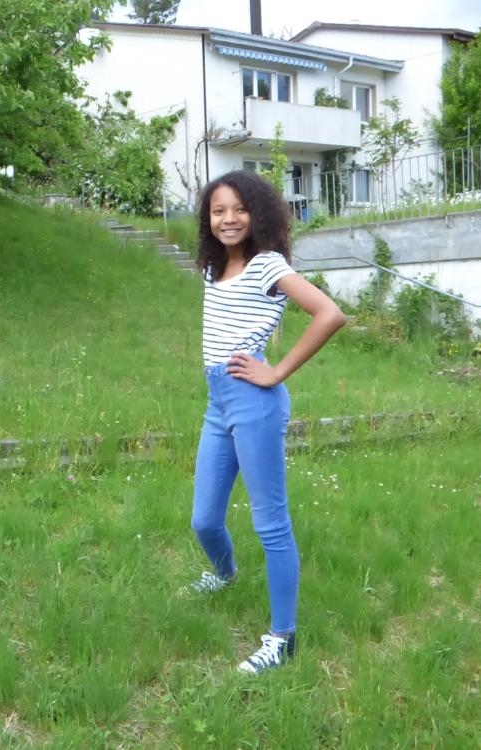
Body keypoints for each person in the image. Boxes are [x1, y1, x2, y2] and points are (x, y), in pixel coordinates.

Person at [186, 170, 346, 674]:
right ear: (208, 219)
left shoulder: (266, 264)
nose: (229, 219)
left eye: (239, 208)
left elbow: (329, 314)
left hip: (253, 400)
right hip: (219, 402)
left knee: (271, 523)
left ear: (258, 213)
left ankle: (282, 638)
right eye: (218, 210)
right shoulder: (216, 267)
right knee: (204, 520)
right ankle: (226, 574)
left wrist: (275, 371)